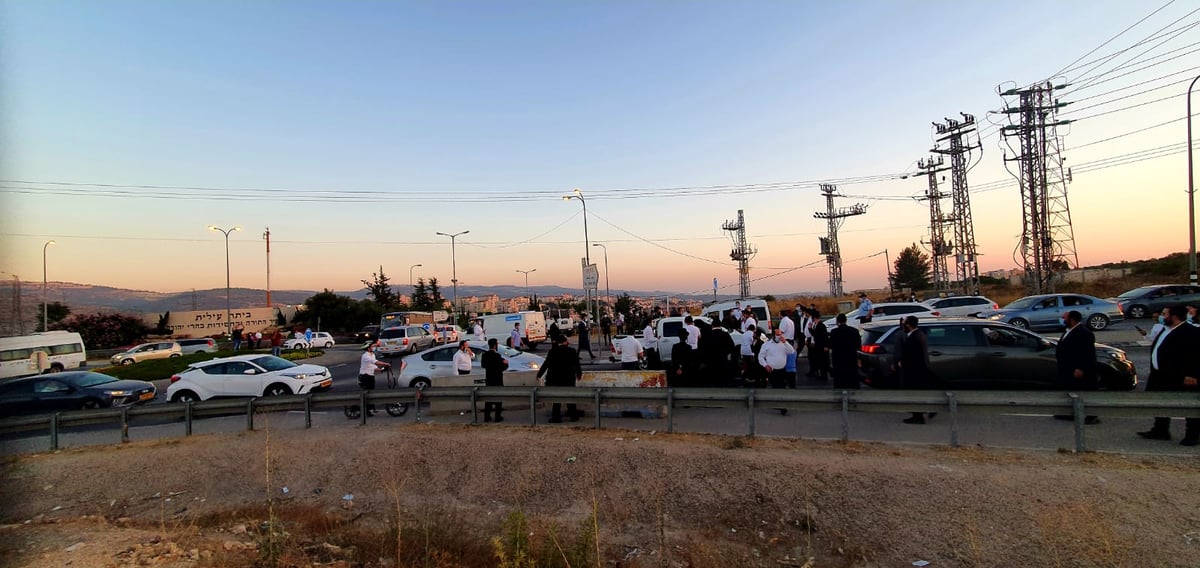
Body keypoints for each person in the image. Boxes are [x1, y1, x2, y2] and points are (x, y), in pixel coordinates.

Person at [1137, 304, 1200, 446]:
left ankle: (1193, 435)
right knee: (1159, 404)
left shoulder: (1191, 332)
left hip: (1181, 377)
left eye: (1165, 314)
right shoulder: (1165, 330)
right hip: (1160, 376)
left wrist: (1193, 375)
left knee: (1188, 408)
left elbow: (1196, 355)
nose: (1161, 316)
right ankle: (1160, 430)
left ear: (1175, 317)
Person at [1054, 310, 1100, 424]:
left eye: (1065, 318)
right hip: (1067, 368)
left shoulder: (1083, 333)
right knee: (1071, 391)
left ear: (1072, 319)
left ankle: (1091, 416)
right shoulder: (1068, 331)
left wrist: (1081, 368)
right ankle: (1071, 413)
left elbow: (1087, 353)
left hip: (1077, 369)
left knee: (1084, 392)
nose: (1063, 320)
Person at [895, 316, 936, 424]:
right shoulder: (919, 335)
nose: (902, 325)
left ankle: (918, 416)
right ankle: (923, 412)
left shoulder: (914, 337)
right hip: (919, 369)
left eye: (904, 323)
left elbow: (913, 355)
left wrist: (902, 362)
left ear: (908, 325)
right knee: (920, 392)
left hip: (915, 370)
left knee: (914, 393)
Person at [537, 335, 582, 422]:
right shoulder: (572, 351)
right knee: (570, 397)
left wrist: (539, 374)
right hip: (569, 378)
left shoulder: (553, 351)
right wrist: (579, 374)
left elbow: (546, 364)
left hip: (556, 378)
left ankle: (556, 417)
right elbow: (577, 364)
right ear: (565, 342)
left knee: (557, 399)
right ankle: (573, 415)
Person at [759, 328, 797, 414]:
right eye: (777, 334)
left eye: (780, 334)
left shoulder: (783, 344)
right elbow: (760, 357)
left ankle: (782, 405)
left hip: (782, 370)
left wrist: (785, 342)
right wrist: (765, 365)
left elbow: (791, 351)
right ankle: (779, 404)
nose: (779, 336)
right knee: (776, 386)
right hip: (773, 370)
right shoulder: (767, 345)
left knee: (782, 387)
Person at [827, 314, 860, 389]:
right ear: (846, 320)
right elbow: (858, 345)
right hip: (851, 358)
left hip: (838, 359)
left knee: (839, 379)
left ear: (837, 321)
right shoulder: (854, 331)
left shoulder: (834, 332)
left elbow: (831, 345)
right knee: (852, 377)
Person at [358, 341, 390, 415]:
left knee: (372, 393)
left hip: (370, 376)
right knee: (368, 393)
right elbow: (375, 362)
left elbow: (374, 367)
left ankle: (371, 409)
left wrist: (382, 369)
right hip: (365, 377)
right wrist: (386, 363)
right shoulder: (365, 356)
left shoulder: (372, 355)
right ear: (368, 348)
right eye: (372, 347)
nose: (373, 348)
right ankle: (366, 411)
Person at [481, 338, 507, 422]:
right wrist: (505, 363)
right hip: (497, 379)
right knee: (498, 400)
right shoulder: (497, 356)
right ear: (495, 345)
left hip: (489, 379)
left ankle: (487, 416)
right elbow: (502, 367)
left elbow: (483, 365)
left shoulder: (485, 355)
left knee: (488, 399)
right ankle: (497, 416)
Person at [808, 309, 830, 382]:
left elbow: (823, 336)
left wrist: (826, 346)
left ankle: (824, 375)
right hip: (818, 346)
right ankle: (821, 374)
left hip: (821, 346)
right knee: (819, 361)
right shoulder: (817, 325)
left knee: (823, 361)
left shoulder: (821, 326)